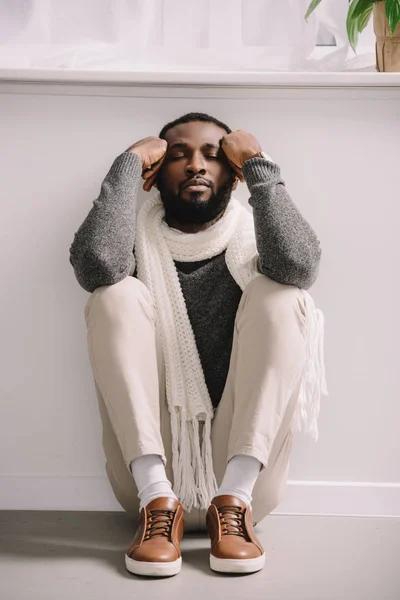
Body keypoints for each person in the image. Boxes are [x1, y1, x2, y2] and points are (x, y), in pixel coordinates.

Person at [69, 112, 325, 578]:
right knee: (115, 293)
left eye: (213, 154)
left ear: (233, 173)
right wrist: (126, 166)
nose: (196, 165)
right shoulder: (134, 246)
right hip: (148, 478)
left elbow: (298, 264)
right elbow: (96, 265)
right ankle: (157, 502)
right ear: (155, 176)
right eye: (178, 155)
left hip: (246, 484)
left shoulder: (254, 245)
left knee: (282, 293)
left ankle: (233, 500)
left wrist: (261, 167)